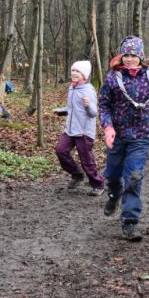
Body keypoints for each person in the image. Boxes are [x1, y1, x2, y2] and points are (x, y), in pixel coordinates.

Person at [99, 36, 149, 241]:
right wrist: (108, 127)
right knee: (113, 175)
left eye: (134, 55)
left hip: (142, 134)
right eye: (126, 55)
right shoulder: (112, 78)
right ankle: (114, 195)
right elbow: (104, 105)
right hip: (118, 135)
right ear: (121, 56)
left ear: (140, 56)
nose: (130, 59)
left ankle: (130, 221)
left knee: (134, 176)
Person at [55, 60, 105, 196]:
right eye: (73, 70)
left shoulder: (88, 90)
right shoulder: (72, 88)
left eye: (77, 71)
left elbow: (93, 113)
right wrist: (61, 111)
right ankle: (77, 175)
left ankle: (98, 184)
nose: (74, 73)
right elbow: (71, 108)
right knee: (60, 151)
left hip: (84, 131)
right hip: (70, 130)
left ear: (84, 75)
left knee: (86, 160)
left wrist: (88, 105)